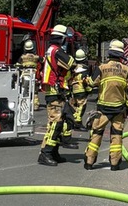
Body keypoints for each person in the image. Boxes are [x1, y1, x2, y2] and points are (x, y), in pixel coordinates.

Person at [84, 39, 128, 171]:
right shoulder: (127, 70)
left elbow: (91, 83)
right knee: (117, 135)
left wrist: (85, 80)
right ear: (121, 56)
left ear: (109, 54)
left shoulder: (101, 68)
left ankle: (89, 162)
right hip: (119, 109)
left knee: (97, 133)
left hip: (102, 108)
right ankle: (115, 164)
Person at [38, 24, 77, 167]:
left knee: (59, 123)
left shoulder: (50, 50)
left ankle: (53, 152)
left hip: (55, 91)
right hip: (55, 92)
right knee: (55, 124)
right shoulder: (57, 51)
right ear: (62, 39)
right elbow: (71, 63)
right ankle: (45, 153)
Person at [69, 49, 93, 129]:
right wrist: (89, 89)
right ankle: (78, 122)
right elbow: (85, 80)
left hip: (74, 89)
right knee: (82, 106)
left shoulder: (74, 68)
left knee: (75, 106)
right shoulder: (85, 68)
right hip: (81, 90)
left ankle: (73, 121)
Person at [18, 40, 42, 111]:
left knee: (24, 90)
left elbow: (18, 65)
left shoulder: (22, 57)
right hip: (34, 75)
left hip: (25, 75)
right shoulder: (36, 57)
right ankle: (35, 106)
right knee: (35, 92)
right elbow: (43, 60)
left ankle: (24, 105)